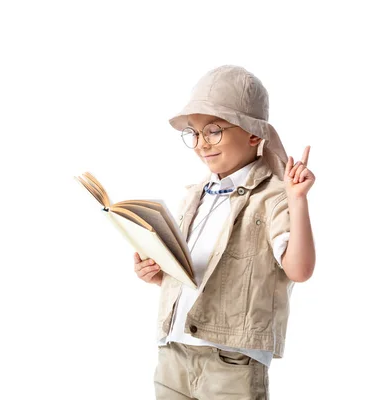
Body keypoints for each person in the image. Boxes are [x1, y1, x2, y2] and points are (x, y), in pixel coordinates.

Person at [133, 65, 316, 399]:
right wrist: (160, 273)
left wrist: (297, 200)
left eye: (214, 131)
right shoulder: (195, 195)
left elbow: (299, 270)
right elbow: (203, 272)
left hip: (232, 359)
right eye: (195, 133)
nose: (202, 144)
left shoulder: (275, 196)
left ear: (253, 133)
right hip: (174, 350)